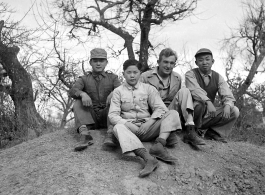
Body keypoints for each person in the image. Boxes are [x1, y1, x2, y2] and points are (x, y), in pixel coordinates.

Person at [108, 59, 181, 177]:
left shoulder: (148, 88)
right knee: (118, 127)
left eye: (135, 72)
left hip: (149, 128)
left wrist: (149, 123)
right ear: (123, 74)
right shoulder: (118, 91)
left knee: (172, 113)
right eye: (129, 72)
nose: (132, 75)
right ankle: (148, 158)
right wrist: (128, 124)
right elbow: (112, 115)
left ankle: (159, 146)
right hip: (131, 131)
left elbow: (161, 108)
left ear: (140, 73)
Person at [140, 48, 205, 146]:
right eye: (165, 62)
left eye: (171, 63)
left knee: (185, 91)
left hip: (169, 111)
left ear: (174, 64)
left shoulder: (177, 77)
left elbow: (177, 100)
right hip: (152, 113)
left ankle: (190, 129)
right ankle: (167, 133)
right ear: (158, 62)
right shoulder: (145, 76)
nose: (168, 66)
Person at [69, 48, 121, 151]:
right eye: (95, 61)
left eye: (101, 61)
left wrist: (114, 92)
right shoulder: (84, 78)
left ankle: (111, 134)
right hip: (90, 118)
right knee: (78, 101)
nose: (98, 63)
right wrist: (82, 94)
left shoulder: (113, 78)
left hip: (108, 116)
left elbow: (123, 90)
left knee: (116, 99)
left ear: (106, 62)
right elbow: (73, 90)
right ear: (90, 62)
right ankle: (84, 135)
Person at [185, 48, 240, 143]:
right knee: (199, 104)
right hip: (192, 113)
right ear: (196, 62)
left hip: (208, 114)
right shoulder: (190, 74)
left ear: (212, 61)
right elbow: (195, 91)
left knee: (234, 110)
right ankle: (192, 131)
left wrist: (227, 105)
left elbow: (227, 94)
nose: (204, 62)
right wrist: (208, 102)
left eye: (207, 59)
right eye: (201, 60)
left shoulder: (218, 77)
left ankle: (213, 133)